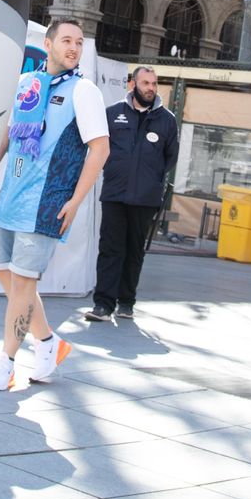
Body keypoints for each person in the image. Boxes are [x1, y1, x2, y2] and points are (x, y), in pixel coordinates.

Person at [0, 19, 110, 392]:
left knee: (23, 282)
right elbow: (7, 133)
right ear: (49, 44)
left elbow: (100, 148)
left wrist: (75, 200)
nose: (74, 47)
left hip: (47, 201)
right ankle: (50, 343)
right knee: (2, 272)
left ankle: (6, 363)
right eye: (66, 40)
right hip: (12, 197)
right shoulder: (27, 84)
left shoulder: (84, 91)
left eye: (79, 42)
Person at [86, 66, 179, 322]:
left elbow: (171, 157)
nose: (151, 88)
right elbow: (100, 148)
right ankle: (103, 305)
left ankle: (126, 302)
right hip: (115, 194)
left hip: (146, 198)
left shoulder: (167, 120)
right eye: (146, 82)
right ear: (132, 84)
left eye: (154, 83)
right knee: (110, 249)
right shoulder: (113, 114)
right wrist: (115, 170)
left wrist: (152, 178)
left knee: (134, 250)